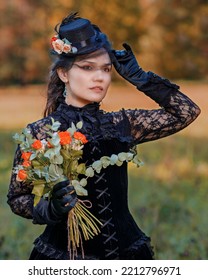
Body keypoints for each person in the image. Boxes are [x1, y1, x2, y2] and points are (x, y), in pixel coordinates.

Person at [7, 12, 200, 260]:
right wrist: (49, 209)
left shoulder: (122, 124)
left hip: (128, 254)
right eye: (88, 68)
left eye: (106, 69)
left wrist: (141, 78)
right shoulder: (41, 133)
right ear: (64, 74)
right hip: (64, 257)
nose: (99, 77)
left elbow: (186, 112)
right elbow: (17, 198)